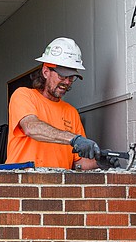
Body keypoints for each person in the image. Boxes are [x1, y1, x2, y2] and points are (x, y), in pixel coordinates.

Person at [7, 37, 117, 170]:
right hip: (23, 185)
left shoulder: (71, 112)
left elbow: (77, 163)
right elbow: (31, 127)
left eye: (71, 77)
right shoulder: (24, 95)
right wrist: (74, 139)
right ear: (46, 71)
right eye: (62, 76)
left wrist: (98, 163)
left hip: (57, 186)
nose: (67, 82)